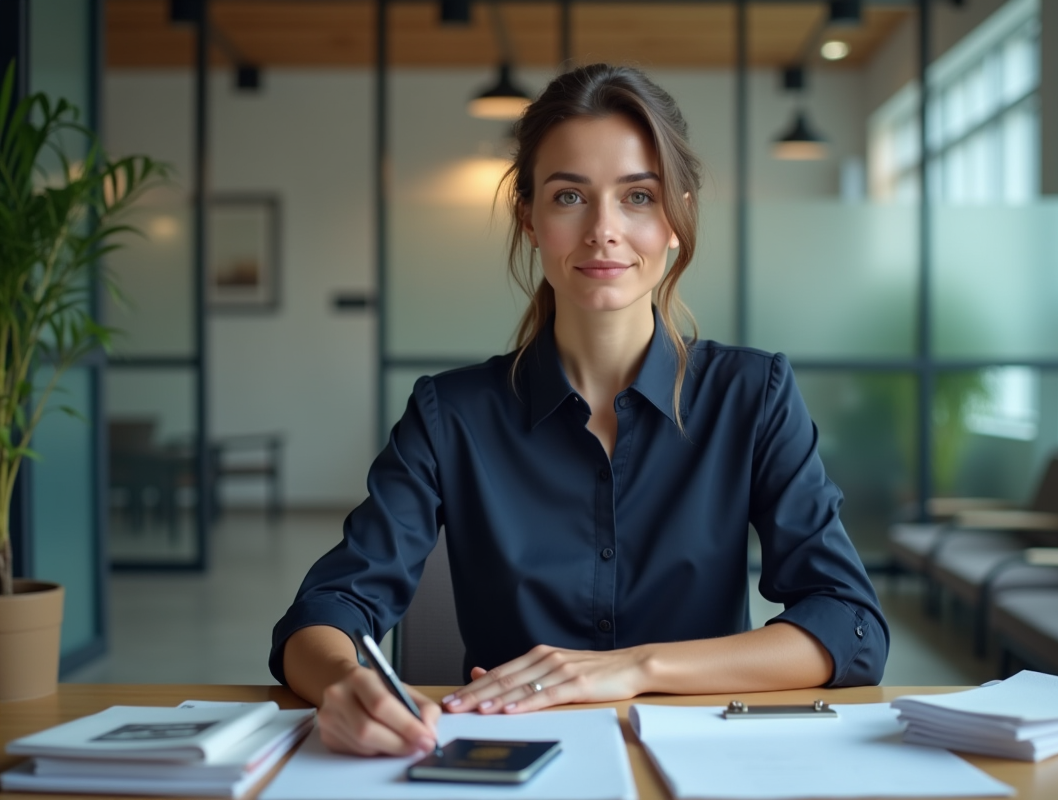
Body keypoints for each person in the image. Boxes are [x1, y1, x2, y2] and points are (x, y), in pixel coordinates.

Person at [269, 63, 888, 759]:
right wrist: (344, 683)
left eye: (638, 198)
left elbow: (849, 624)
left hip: (697, 764)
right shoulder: (450, 415)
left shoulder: (754, 394)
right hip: (510, 761)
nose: (603, 231)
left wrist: (637, 666)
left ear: (677, 218)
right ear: (529, 217)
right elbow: (324, 613)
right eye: (570, 196)